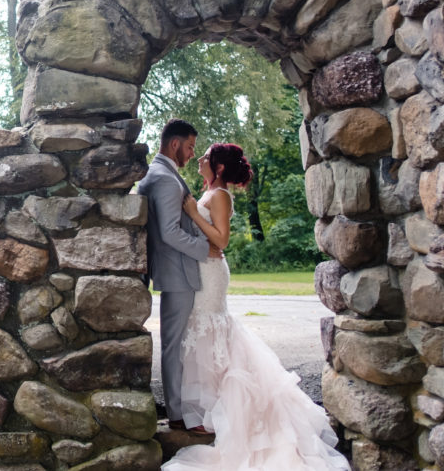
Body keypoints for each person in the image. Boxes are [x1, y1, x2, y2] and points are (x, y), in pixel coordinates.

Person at [162, 143, 350, 470]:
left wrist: (192, 213)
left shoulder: (219, 196)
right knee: (201, 330)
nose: (202, 160)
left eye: (206, 157)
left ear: (219, 168)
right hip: (199, 270)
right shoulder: (208, 193)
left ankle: (225, 409)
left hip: (211, 274)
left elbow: (221, 241)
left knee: (210, 328)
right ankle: (212, 407)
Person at [138, 119, 213, 431]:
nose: (192, 153)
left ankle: (182, 410)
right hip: (177, 271)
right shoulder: (166, 179)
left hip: (173, 270)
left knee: (178, 343)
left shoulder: (156, 173)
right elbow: (169, 233)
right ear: (174, 144)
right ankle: (179, 414)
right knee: (175, 344)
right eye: (190, 146)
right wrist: (203, 247)